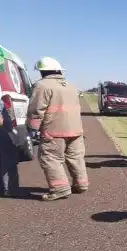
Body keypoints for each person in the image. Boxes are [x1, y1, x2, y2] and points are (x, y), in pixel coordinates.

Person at [27, 57, 88, 201]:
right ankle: (81, 184)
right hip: (76, 129)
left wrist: (32, 128)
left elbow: (36, 109)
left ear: (42, 72)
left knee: (50, 158)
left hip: (54, 130)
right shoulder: (71, 85)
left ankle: (60, 189)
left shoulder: (42, 86)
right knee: (76, 158)